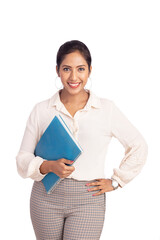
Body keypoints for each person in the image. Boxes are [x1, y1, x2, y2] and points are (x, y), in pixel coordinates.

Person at [16, 40, 148, 240]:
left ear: (90, 71)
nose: (74, 77)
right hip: (45, 196)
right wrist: (48, 165)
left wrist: (116, 181)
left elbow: (139, 146)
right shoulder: (41, 110)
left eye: (81, 69)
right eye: (67, 69)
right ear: (57, 70)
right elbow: (22, 158)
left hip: (88, 198)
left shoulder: (106, 109)